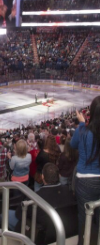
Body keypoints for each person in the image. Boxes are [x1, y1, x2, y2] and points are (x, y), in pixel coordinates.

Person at [7, 163, 76, 238]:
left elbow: (18, 213)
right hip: (64, 228)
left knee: (5, 214)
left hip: (42, 233)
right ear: (59, 175)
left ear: (42, 177)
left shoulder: (35, 197)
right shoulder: (69, 191)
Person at [71, 96, 100, 245]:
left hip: (85, 180)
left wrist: (81, 123)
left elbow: (73, 143)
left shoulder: (83, 132)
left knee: (84, 217)